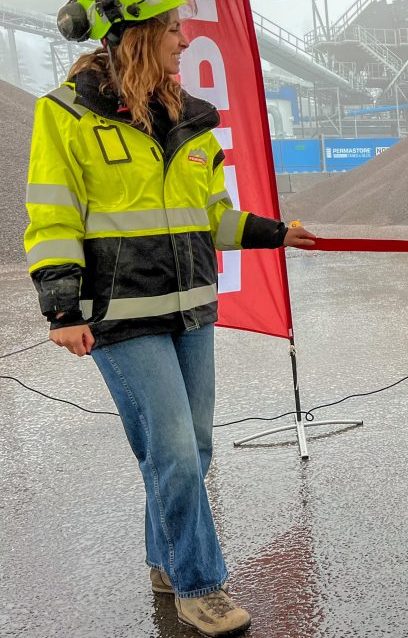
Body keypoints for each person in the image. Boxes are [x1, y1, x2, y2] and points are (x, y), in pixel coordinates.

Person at [25, 2, 315, 635]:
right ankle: (200, 584)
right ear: (139, 34)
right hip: (118, 316)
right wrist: (60, 306)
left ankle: (164, 557)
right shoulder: (67, 113)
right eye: (175, 29)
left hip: (189, 309)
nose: (185, 41)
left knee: (193, 447)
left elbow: (214, 218)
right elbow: (52, 214)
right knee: (177, 452)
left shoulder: (191, 121)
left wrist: (276, 233)